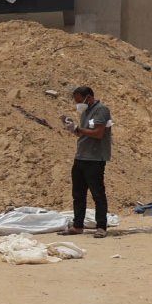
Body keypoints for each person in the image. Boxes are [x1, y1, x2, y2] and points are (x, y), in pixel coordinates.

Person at [61, 86, 112, 239]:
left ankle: (101, 226)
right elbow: (83, 132)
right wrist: (72, 127)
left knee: (97, 194)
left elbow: (98, 133)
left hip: (95, 159)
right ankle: (77, 226)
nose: (78, 104)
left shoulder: (101, 110)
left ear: (88, 97)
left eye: (79, 100)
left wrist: (78, 128)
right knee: (78, 194)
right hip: (81, 157)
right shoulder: (85, 112)